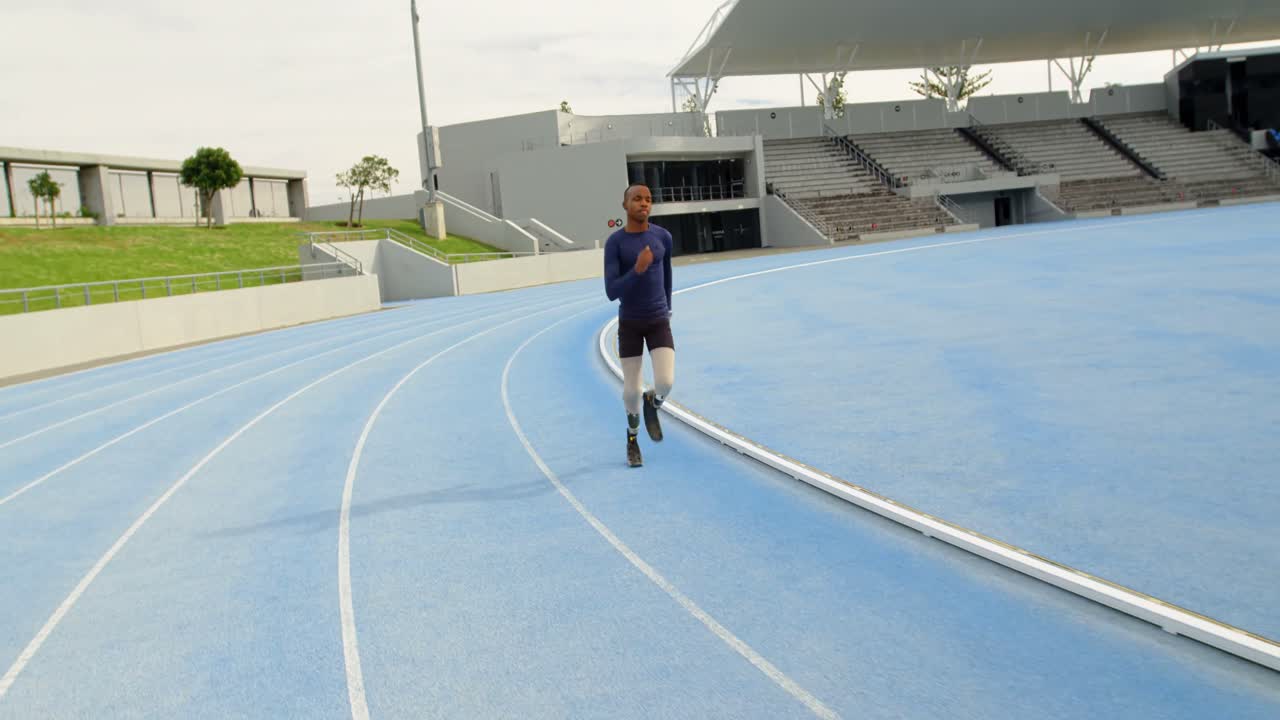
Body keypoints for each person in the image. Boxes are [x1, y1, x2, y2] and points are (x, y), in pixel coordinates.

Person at [603, 184, 674, 468]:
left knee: (666, 383)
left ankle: (653, 403)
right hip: (630, 323)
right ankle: (632, 439)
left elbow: (667, 274)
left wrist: (668, 306)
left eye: (648, 199)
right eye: (636, 199)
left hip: (658, 320)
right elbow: (611, 291)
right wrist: (637, 270)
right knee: (631, 391)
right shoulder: (615, 243)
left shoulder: (663, 237)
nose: (643, 203)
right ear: (625, 205)